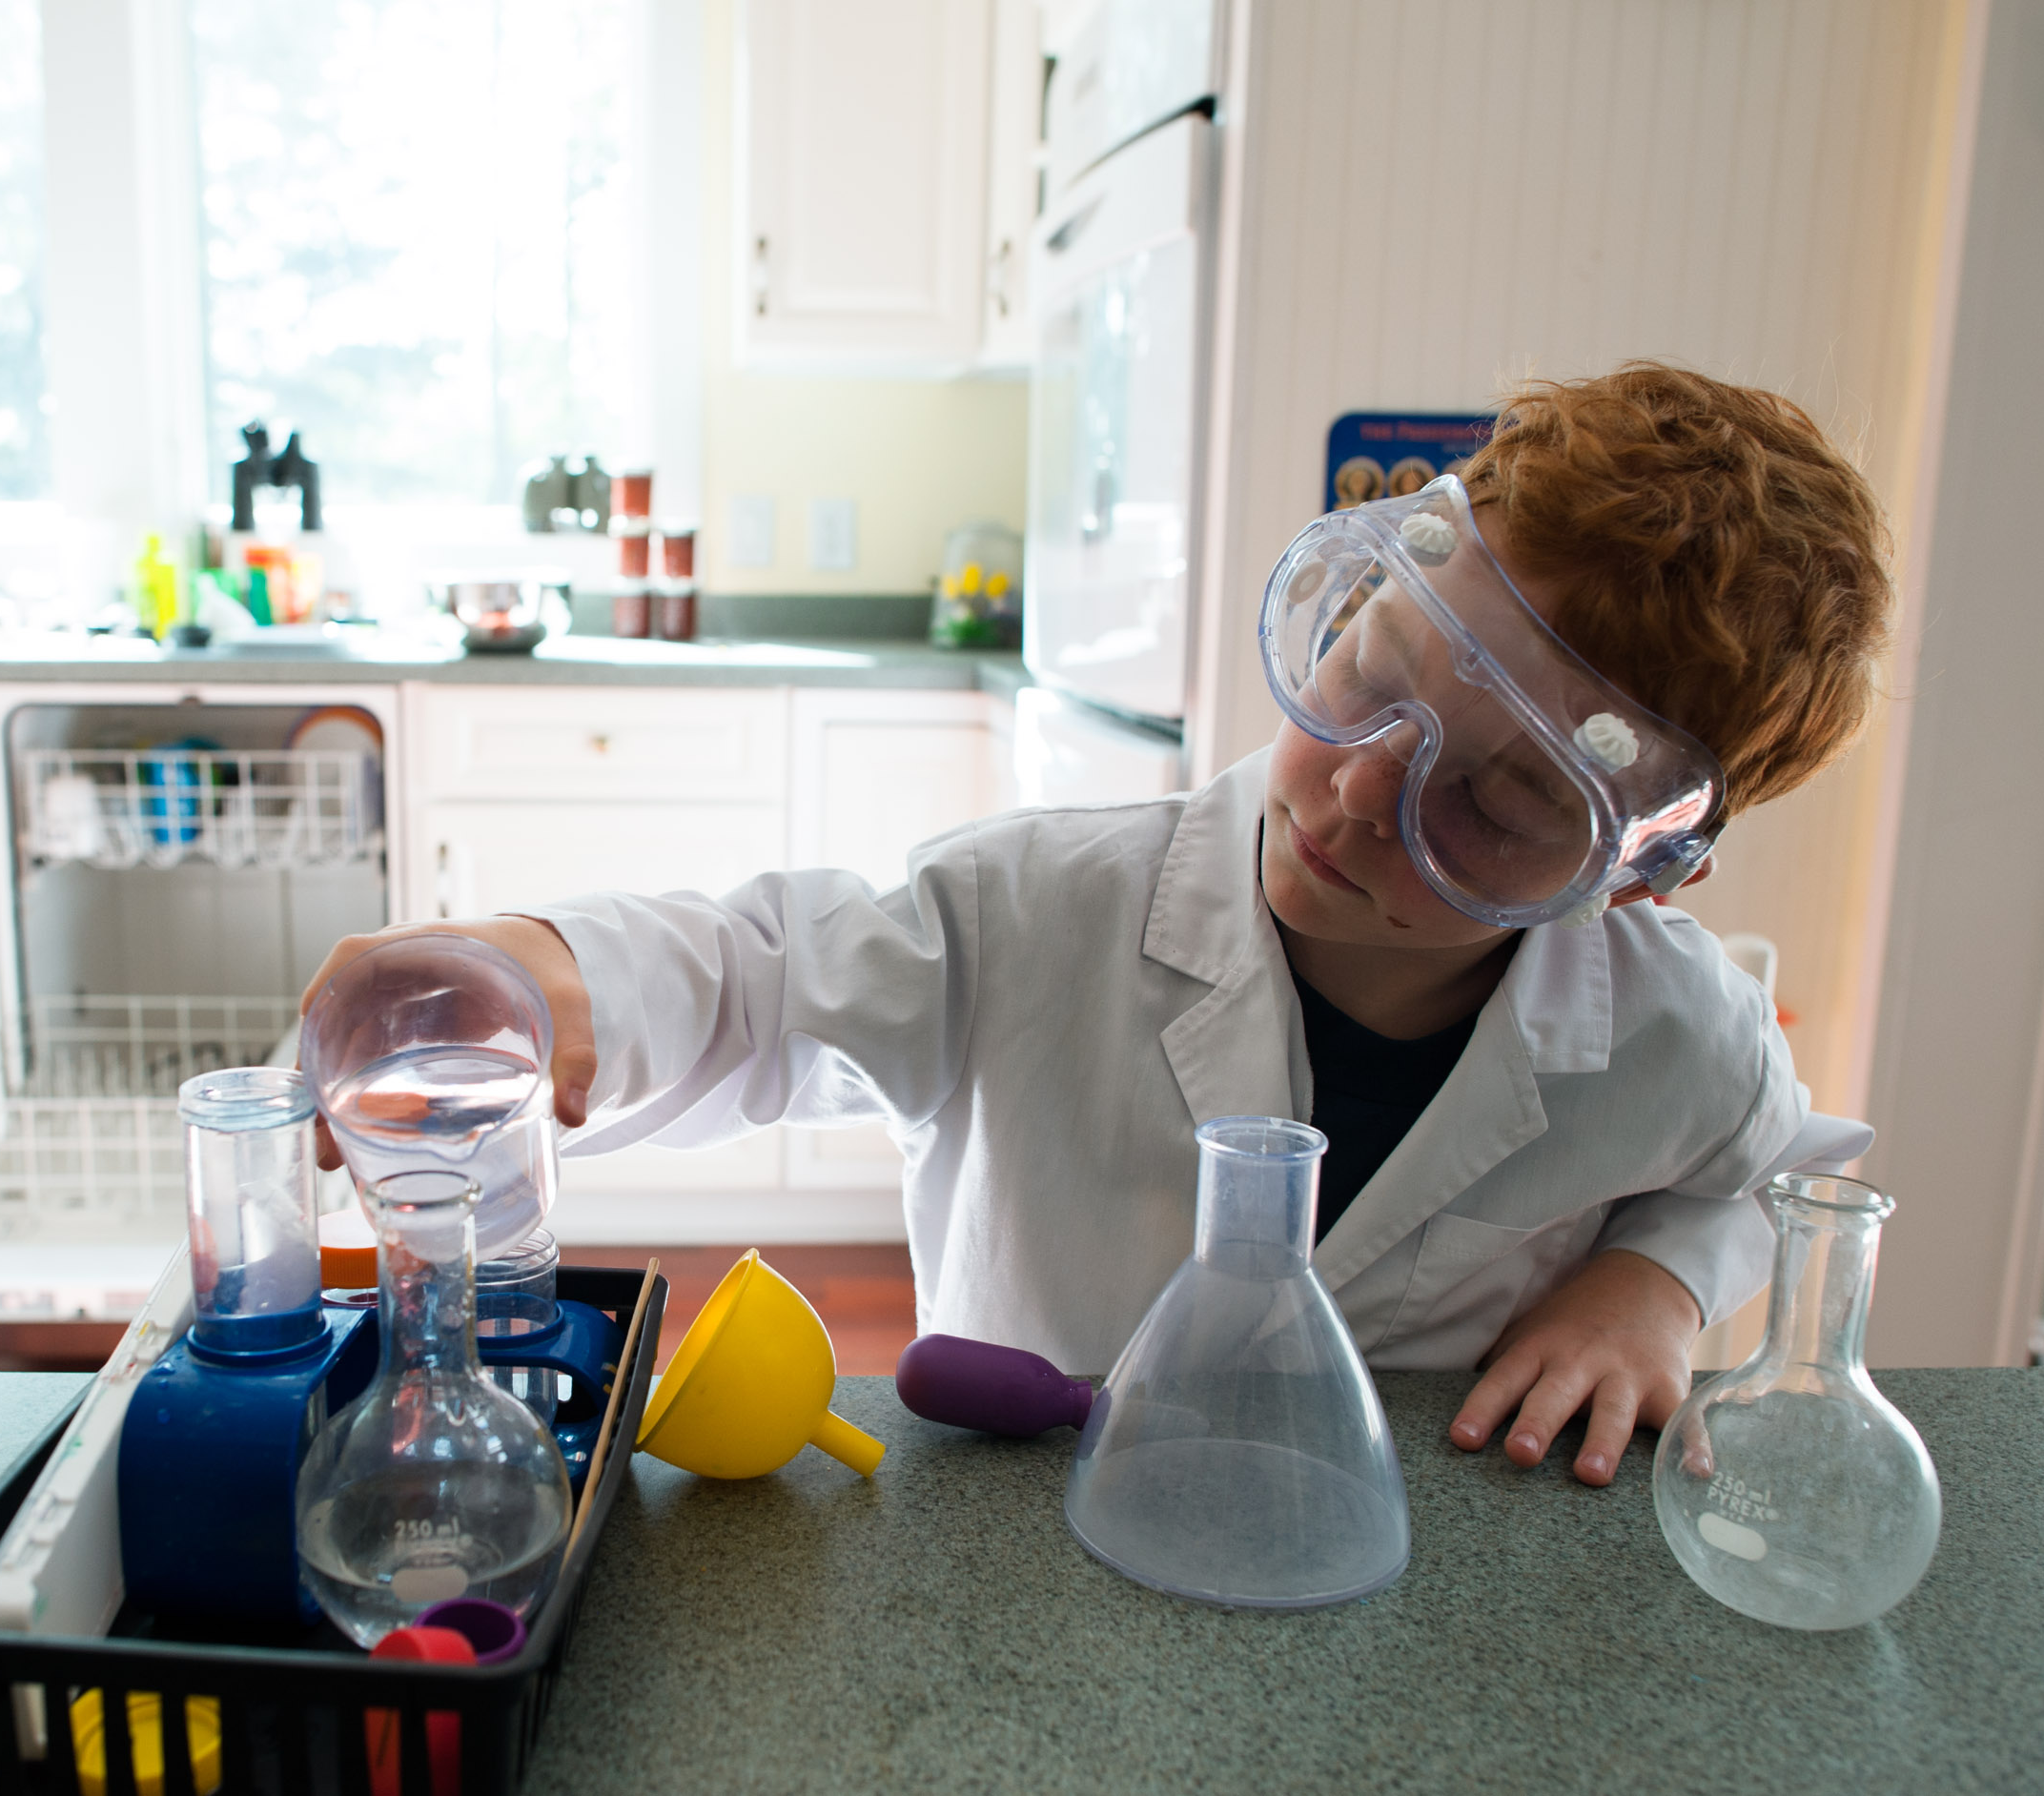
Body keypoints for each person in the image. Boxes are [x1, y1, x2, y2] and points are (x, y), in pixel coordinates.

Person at [305, 362, 1893, 1489]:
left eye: (1503, 802)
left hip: (1410, 1578)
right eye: (1369, 673)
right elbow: (761, 983)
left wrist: (1660, 1284)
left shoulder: (1673, 1029)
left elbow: (1762, 1163)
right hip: (1027, 1556)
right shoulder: (1034, 911)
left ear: (1632, 870)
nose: (1353, 795)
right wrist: (544, 974)